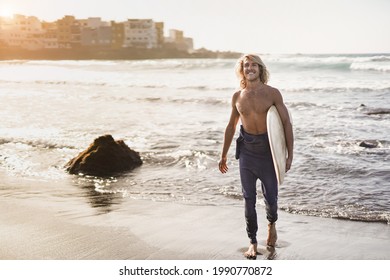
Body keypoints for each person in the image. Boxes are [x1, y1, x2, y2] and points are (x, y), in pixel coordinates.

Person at [218, 54, 294, 259]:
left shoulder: (272, 94)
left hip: (268, 152)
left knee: (271, 197)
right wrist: (223, 154)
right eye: (246, 65)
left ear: (261, 69)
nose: (250, 68)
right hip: (247, 153)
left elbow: (286, 124)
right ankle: (252, 241)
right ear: (241, 70)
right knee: (248, 198)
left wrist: (288, 155)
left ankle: (272, 223)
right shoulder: (237, 97)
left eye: (254, 65)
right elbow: (231, 126)